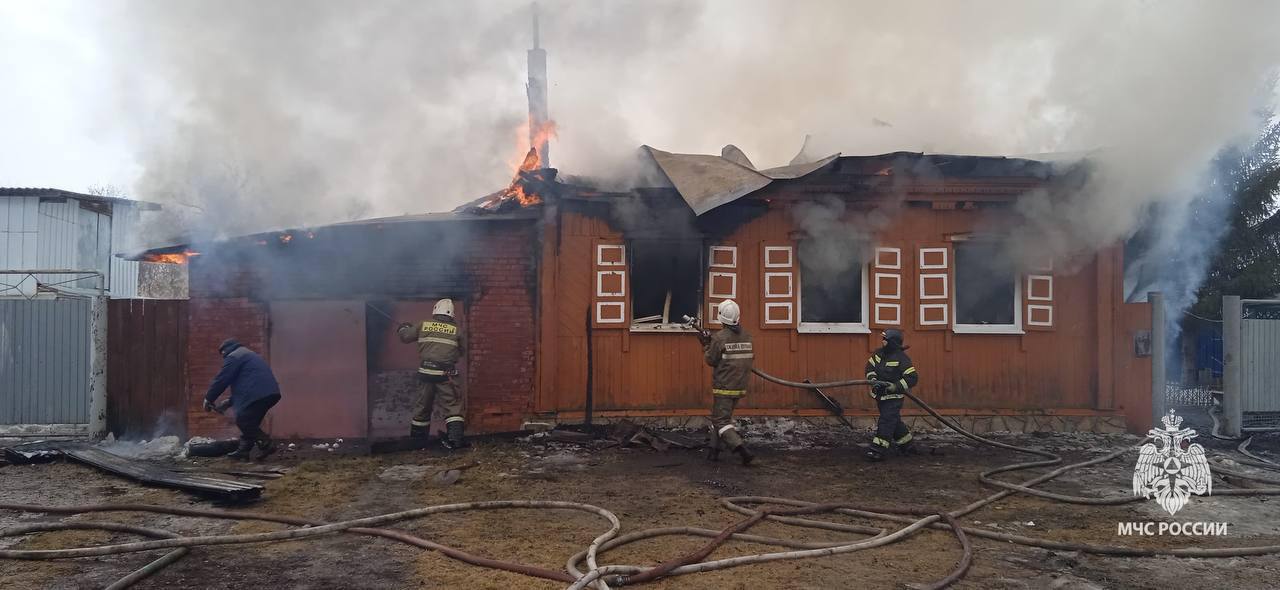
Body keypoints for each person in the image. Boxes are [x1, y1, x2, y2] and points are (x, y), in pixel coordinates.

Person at [397, 298, 467, 449]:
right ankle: (455, 440)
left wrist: (403, 328)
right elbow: (463, 351)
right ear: (452, 314)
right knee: (453, 406)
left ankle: (417, 442)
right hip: (446, 374)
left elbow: (405, 337)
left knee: (422, 406)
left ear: (435, 310)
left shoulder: (424, 324)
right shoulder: (457, 330)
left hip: (426, 373)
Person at [204, 338, 282, 460]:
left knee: (243, 420)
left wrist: (208, 398)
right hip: (269, 393)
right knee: (250, 422)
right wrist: (229, 402)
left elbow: (222, 379)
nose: (223, 357)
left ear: (226, 350)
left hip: (259, 393)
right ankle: (243, 451)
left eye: (223, 353)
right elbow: (248, 384)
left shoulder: (234, 356)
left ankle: (266, 443)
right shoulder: (247, 355)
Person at [701, 299, 755, 465]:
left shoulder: (719, 338)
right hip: (740, 385)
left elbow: (711, 360)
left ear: (721, 318)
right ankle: (714, 451)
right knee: (722, 417)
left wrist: (705, 345)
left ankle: (741, 449)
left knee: (721, 420)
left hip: (724, 386)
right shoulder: (747, 335)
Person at [864, 329, 919, 461]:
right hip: (880, 396)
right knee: (893, 420)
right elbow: (869, 368)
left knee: (886, 421)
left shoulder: (901, 358)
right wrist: (873, 380)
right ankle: (907, 445)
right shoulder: (878, 354)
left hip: (894, 397)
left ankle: (878, 450)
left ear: (892, 342)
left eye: (886, 340)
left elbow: (912, 377)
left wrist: (895, 386)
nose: (883, 342)